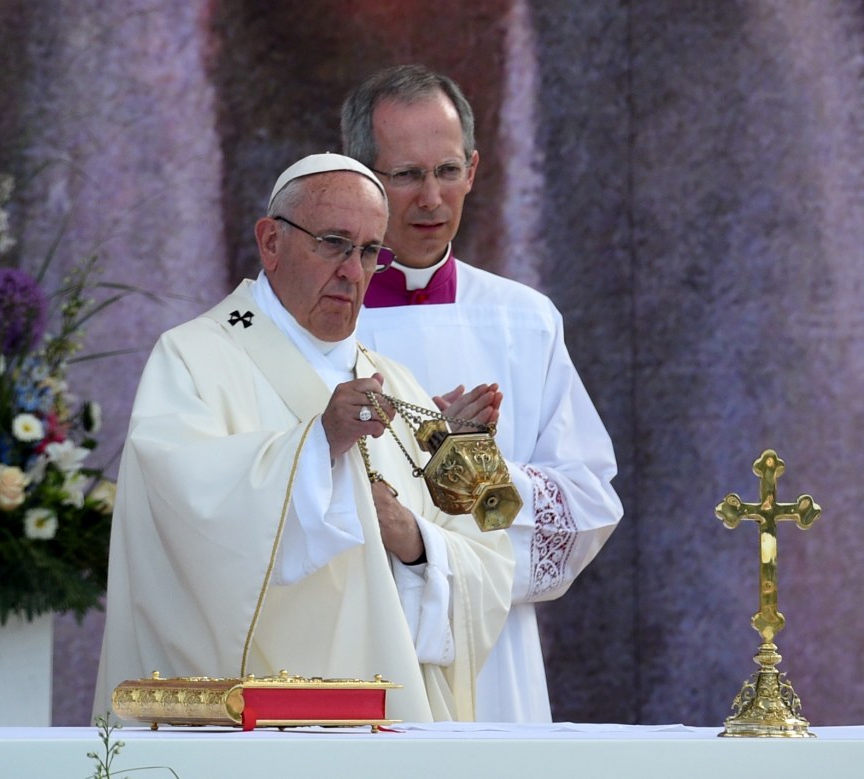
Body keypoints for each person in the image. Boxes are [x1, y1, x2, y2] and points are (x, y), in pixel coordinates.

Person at [92, 153, 514, 724]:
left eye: (369, 251)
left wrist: (422, 527)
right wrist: (318, 446)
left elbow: (491, 567)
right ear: (271, 242)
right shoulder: (193, 358)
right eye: (334, 242)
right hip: (254, 728)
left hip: (387, 724)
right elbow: (182, 523)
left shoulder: (401, 386)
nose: (353, 271)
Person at [343, 65, 624, 722]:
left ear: (473, 168)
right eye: (405, 174)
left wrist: (466, 469)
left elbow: (581, 514)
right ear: (361, 178)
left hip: (488, 656)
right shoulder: (304, 321)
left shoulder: (523, 321)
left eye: (446, 171)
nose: (430, 200)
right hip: (352, 643)